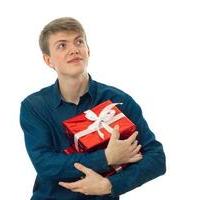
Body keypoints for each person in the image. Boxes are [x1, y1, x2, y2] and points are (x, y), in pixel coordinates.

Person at [20, 17, 166, 200]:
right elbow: (45, 164)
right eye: (62, 46)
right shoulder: (34, 107)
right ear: (48, 60)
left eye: (79, 42)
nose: (74, 50)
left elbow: (157, 158)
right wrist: (106, 158)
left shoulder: (119, 101)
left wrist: (109, 185)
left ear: (88, 50)